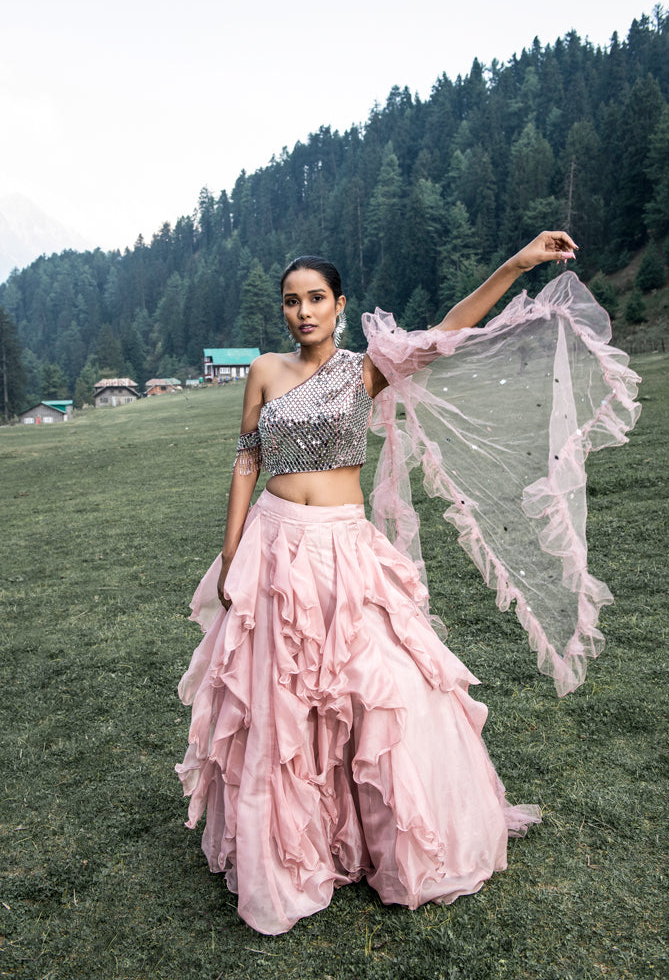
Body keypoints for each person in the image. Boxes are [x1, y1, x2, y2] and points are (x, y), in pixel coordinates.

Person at [175, 232, 640, 935]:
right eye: (290, 302)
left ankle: (402, 842)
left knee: (387, 683)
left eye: (315, 300)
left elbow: (452, 328)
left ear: (339, 305)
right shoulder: (266, 370)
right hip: (272, 544)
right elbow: (247, 456)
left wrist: (515, 265)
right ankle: (292, 853)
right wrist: (232, 550)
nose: (302, 312)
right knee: (280, 703)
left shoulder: (367, 369)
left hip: (342, 547)